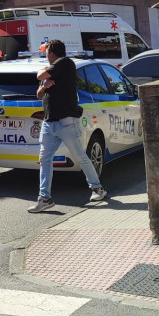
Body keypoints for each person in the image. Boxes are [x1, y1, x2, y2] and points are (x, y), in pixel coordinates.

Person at [28, 40, 107, 212]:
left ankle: (97, 188)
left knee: (80, 156)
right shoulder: (51, 71)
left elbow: (39, 76)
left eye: (46, 52)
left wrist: (43, 77)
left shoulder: (64, 63)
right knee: (45, 159)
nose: (45, 56)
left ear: (53, 52)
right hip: (49, 122)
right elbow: (39, 95)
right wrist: (44, 87)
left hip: (66, 122)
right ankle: (45, 198)